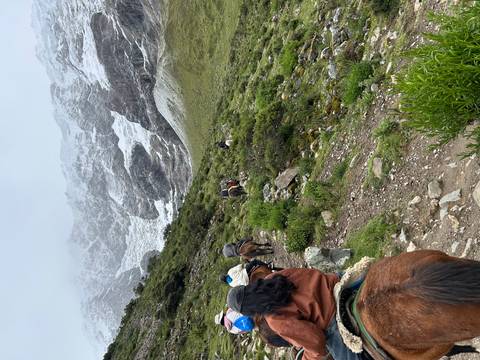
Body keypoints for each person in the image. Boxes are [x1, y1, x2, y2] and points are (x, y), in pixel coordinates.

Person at [227, 268, 363, 360]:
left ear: (248, 311)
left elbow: (316, 341)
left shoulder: (274, 319)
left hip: (330, 317)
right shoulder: (272, 277)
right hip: (333, 283)